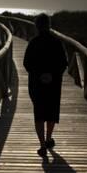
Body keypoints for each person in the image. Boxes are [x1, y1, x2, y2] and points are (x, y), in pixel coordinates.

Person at [23, 13, 68, 157]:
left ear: (36, 26)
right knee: (51, 113)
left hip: (37, 84)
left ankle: (42, 144)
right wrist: (51, 75)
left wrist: (40, 75)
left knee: (39, 113)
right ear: (49, 25)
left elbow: (27, 63)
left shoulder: (33, 42)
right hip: (53, 84)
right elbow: (63, 63)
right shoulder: (57, 42)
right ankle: (48, 138)